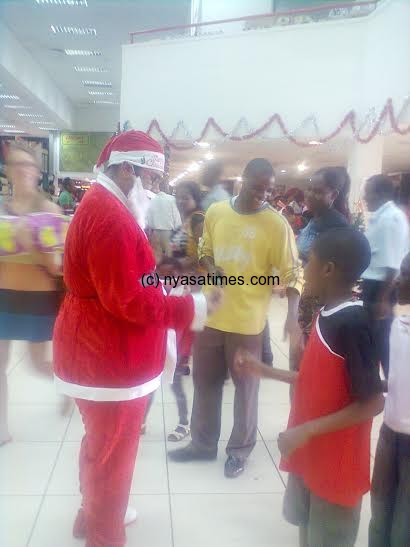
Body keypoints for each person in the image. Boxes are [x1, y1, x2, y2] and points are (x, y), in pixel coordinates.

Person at [53, 130, 222, 547]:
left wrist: (161, 282)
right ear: (126, 169)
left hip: (94, 349)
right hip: (106, 357)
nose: (156, 188)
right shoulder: (110, 216)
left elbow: (123, 282)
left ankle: (90, 515)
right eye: (152, 179)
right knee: (113, 455)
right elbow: (127, 301)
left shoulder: (104, 203)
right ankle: (103, 533)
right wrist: (193, 307)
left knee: (100, 445)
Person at [237, 227, 384, 547]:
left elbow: (372, 403)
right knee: (307, 531)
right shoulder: (324, 313)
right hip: (311, 455)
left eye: (309, 261)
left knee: (328, 536)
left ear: (328, 269)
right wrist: (264, 370)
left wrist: (305, 431)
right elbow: (315, 379)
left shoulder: (353, 324)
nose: (304, 268)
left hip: (336, 464)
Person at [169, 158, 303, 478]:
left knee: (246, 390)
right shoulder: (216, 212)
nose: (263, 195)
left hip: (247, 322)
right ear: (242, 180)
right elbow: (205, 248)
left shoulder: (276, 224)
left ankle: (239, 450)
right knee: (205, 383)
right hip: (212, 315)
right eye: (258, 187)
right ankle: (202, 445)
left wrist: (292, 317)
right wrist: (209, 264)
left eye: (269, 190)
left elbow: (293, 272)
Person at [0, 141, 67, 446]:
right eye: (16, 165)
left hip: (38, 298)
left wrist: (33, 246)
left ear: (37, 173)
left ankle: (68, 387)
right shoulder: (2, 211)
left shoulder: (50, 212)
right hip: (3, 293)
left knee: (38, 363)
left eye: (28, 166)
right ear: (8, 171)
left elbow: (57, 267)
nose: (23, 171)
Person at [369, 252, 410, 546]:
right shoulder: (399, 323)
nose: (398, 279)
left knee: (403, 524)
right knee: (380, 508)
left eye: (406, 274)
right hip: (389, 430)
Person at [293, 167, 350, 372]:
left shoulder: (336, 225)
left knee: (312, 361)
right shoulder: (316, 218)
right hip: (307, 294)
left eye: (317, 191)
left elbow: (336, 269)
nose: (310, 195)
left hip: (320, 301)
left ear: (333, 195)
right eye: (309, 188)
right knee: (302, 360)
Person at [362, 174, 410, 379]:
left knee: (382, 343)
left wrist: (382, 299)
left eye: (368, 193)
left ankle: (394, 388)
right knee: (376, 340)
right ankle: (380, 385)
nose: (365, 198)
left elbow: (392, 265)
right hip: (375, 286)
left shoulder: (390, 219)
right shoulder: (382, 216)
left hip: (381, 288)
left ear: (380, 194)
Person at [146, 180, 181, 262]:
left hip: (154, 233)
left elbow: (148, 218)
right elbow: (177, 218)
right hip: (168, 233)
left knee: (157, 259)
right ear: (167, 188)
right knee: (170, 259)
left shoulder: (152, 199)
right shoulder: (172, 199)